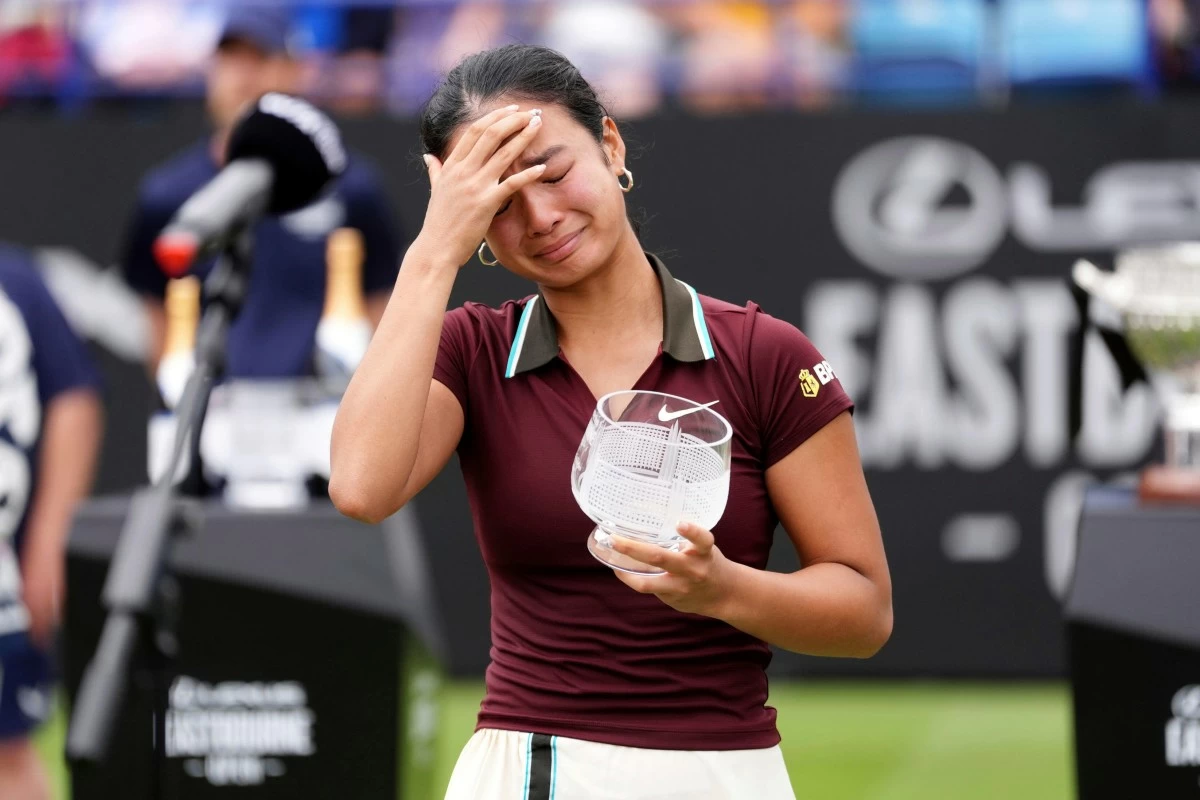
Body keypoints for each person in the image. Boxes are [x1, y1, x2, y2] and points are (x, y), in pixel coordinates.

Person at [330, 44, 892, 800]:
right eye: (498, 201)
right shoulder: (473, 348)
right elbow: (361, 488)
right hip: (533, 768)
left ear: (611, 144)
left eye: (554, 173)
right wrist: (434, 251)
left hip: (727, 772)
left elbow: (864, 610)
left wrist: (721, 588)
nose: (541, 217)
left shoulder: (763, 355)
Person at [118, 6, 402, 382]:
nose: (242, 75)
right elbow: (159, 314)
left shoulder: (350, 185)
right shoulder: (167, 194)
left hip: (323, 409)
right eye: (230, 57)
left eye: (260, 57)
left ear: (294, 70)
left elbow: (379, 302)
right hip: (213, 406)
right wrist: (179, 394)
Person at [0, 245, 103, 799]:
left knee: (6, 756)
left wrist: (49, 540)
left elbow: (74, 399)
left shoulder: (13, 281)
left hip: (4, 584)